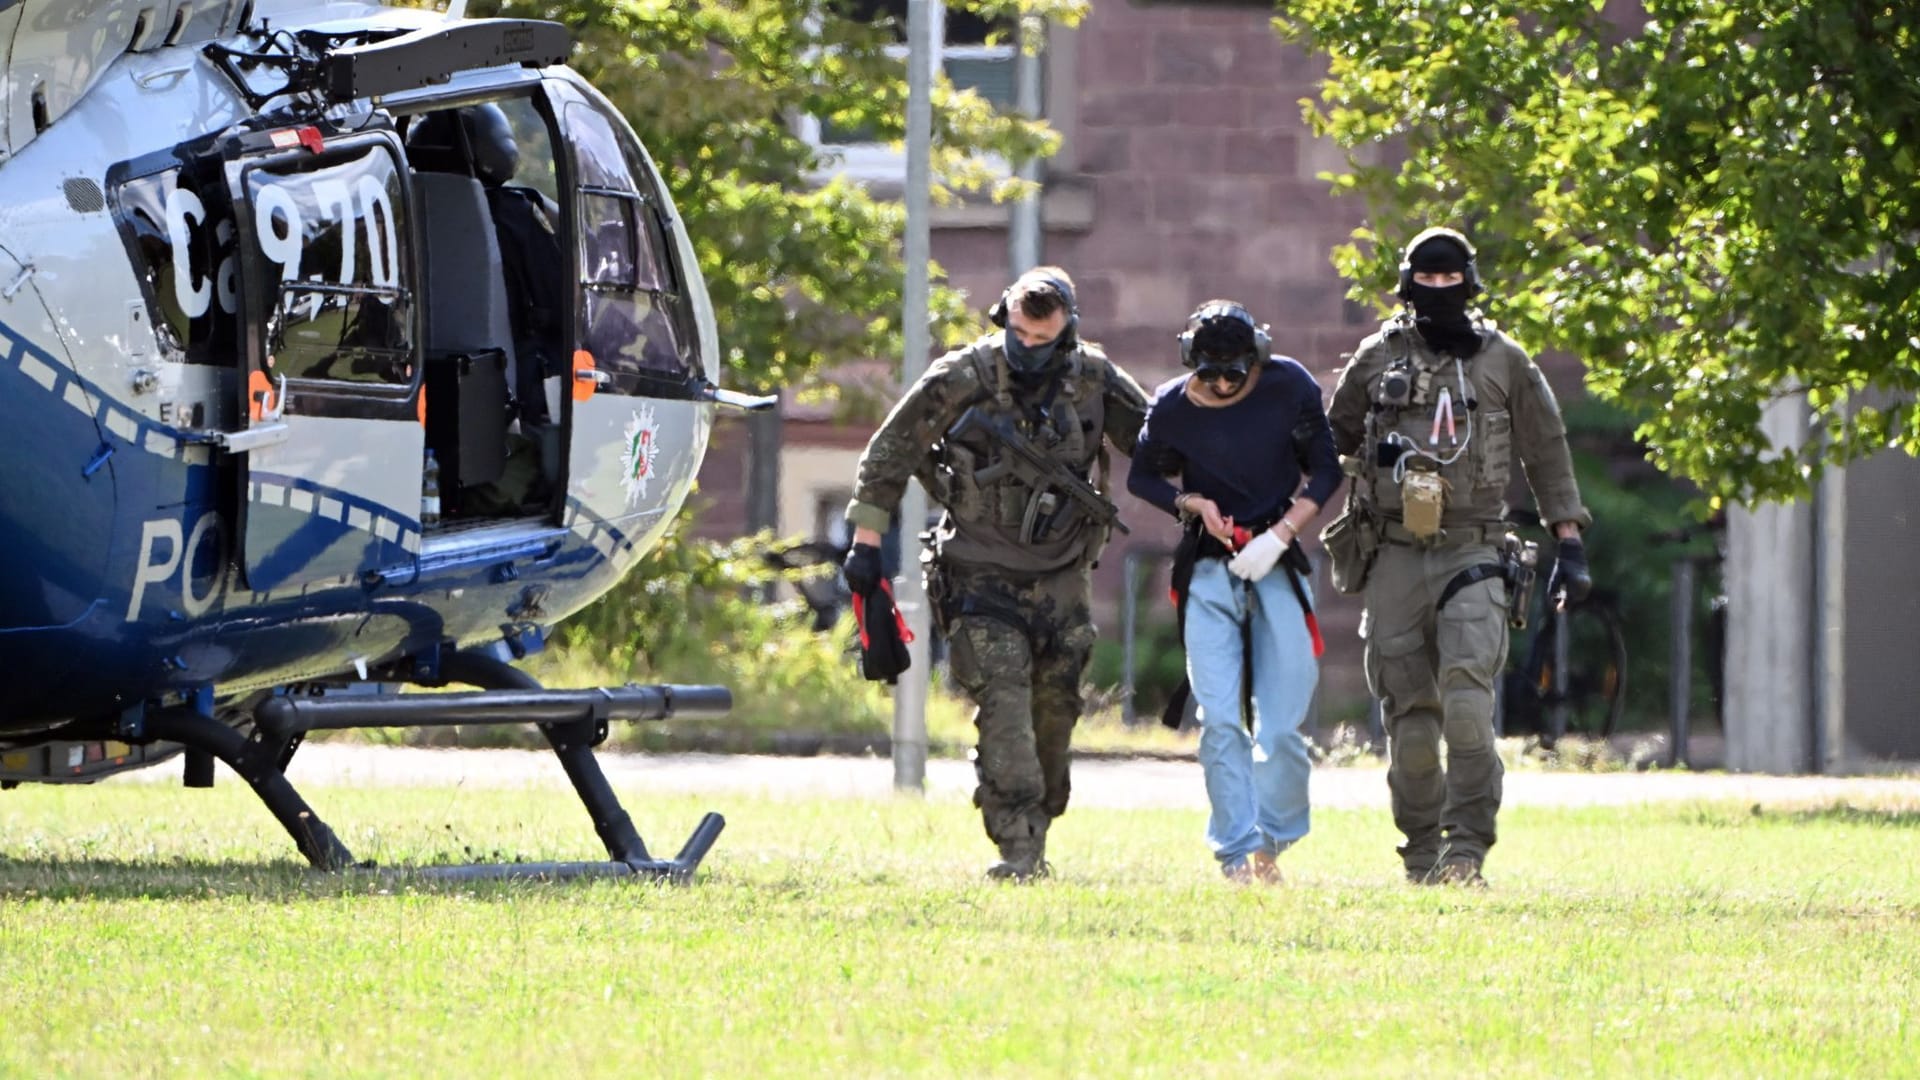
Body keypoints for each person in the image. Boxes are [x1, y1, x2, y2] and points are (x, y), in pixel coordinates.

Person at [842, 267, 1150, 881]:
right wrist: (866, 544)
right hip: (979, 574)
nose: (1027, 348)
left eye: (1042, 338)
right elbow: (890, 451)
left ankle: (1038, 816)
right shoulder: (964, 378)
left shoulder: (1094, 380)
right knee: (1004, 705)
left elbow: (1156, 444)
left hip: (1063, 578)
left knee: (1054, 715)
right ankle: (1018, 846)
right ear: (1004, 318)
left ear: (1067, 330)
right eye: (1018, 334)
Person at [1324, 227, 1593, 887]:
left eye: (1450, 280)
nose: (1438, 291)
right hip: (1391, 550)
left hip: (1473, 547)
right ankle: (1422, 856)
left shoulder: (1504, 360)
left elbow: (1546, 449)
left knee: (1469, 713)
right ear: (1407, 285)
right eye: (1427, 280)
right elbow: (1327, 438)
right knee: (1411, 728)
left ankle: (1466, 849)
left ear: (1468, 283)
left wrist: (1569, 541)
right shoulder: (1375, 356)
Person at [1128, 301, 1340, 884]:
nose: (1222, 384)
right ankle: (1234, 853)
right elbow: (1142, 475)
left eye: (1235, 372)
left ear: (1258, 359)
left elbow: (1327, 470)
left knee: (1281, 726)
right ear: (1190, 362)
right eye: (1209, 372)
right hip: (1208, 566)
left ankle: (1272, 842)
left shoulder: (1288, 385)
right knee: (1220, 719)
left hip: (1275, 558)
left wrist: (1280, 535)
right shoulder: (1171, 404)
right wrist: (1191, 503)